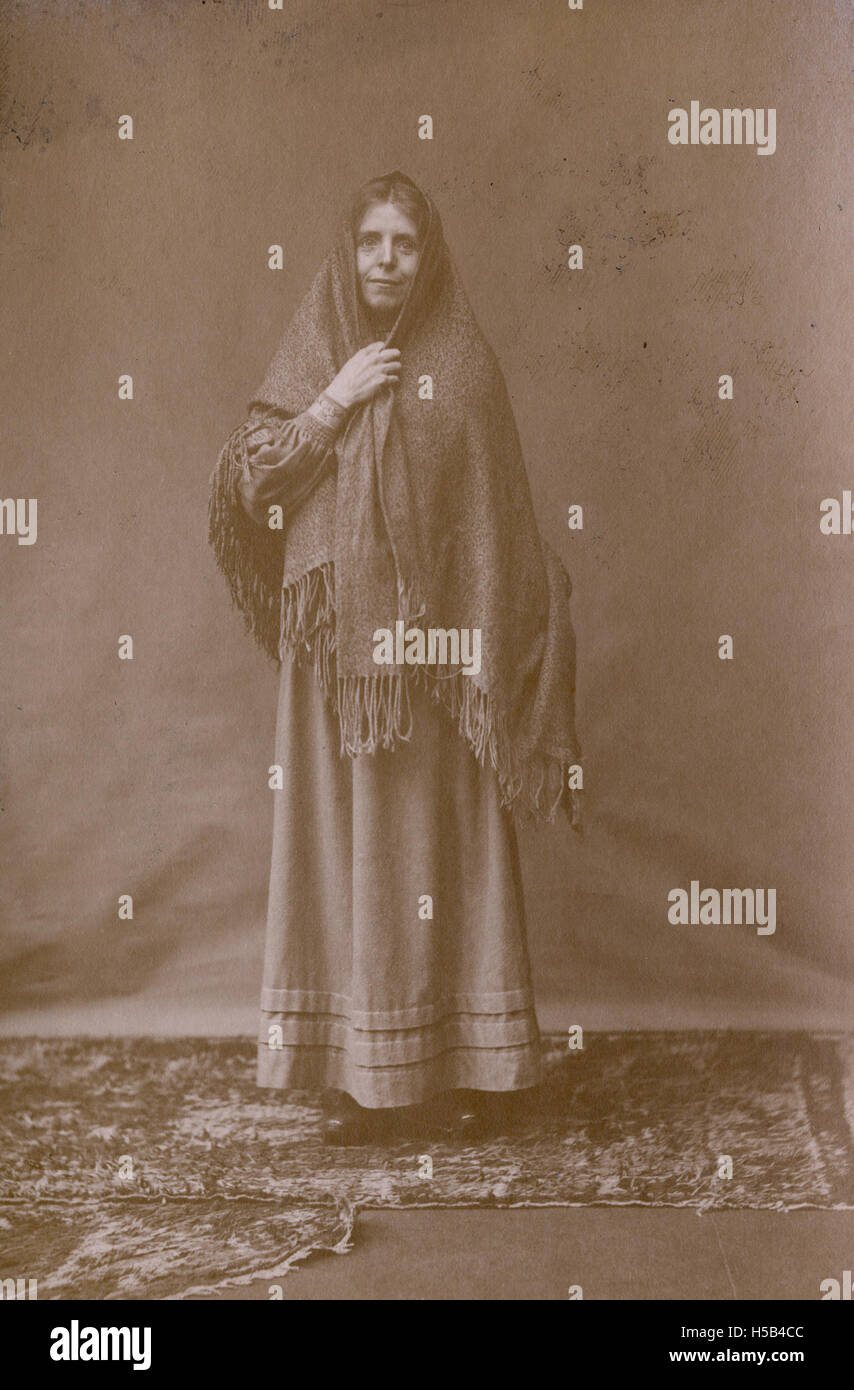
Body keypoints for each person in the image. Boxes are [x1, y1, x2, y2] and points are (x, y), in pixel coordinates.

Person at [209, 171, 581, 1145]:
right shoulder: (319, 346)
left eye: (402, 244)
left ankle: (459, 1066)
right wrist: (334, 400)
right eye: (370, 241)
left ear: (427, 255)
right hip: (336, 669)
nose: (384, 260)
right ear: (349, 249)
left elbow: (493, 520)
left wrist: (504, 615)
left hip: (432, 667)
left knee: (433, 854)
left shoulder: (462, 364)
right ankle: (349, 1069)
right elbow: (255, 485)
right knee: (343, 856)